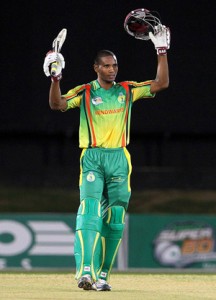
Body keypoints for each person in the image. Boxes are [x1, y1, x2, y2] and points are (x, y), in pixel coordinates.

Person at [43, 25, 170, 291]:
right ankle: (85, 272)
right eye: (107, 66)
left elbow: (161, 83)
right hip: (92, 157)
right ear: (96, 68)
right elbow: (57, 105)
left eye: (115, 65)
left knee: (115, 218)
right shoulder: (85, 92)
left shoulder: (127, 89)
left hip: (120, 158)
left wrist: (161, 51)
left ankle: (102, 276)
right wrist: (55, 79)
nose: (112, 69)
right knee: (89, 211)